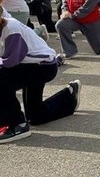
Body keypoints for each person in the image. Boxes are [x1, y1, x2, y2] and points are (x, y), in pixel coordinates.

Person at [0, 10, 81, 143]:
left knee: (2, 80)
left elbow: (10, 61)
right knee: (36, 117)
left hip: (42, 67)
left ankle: (17, 124)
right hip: (29, 65)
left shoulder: (11, 28)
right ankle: (69, 96)